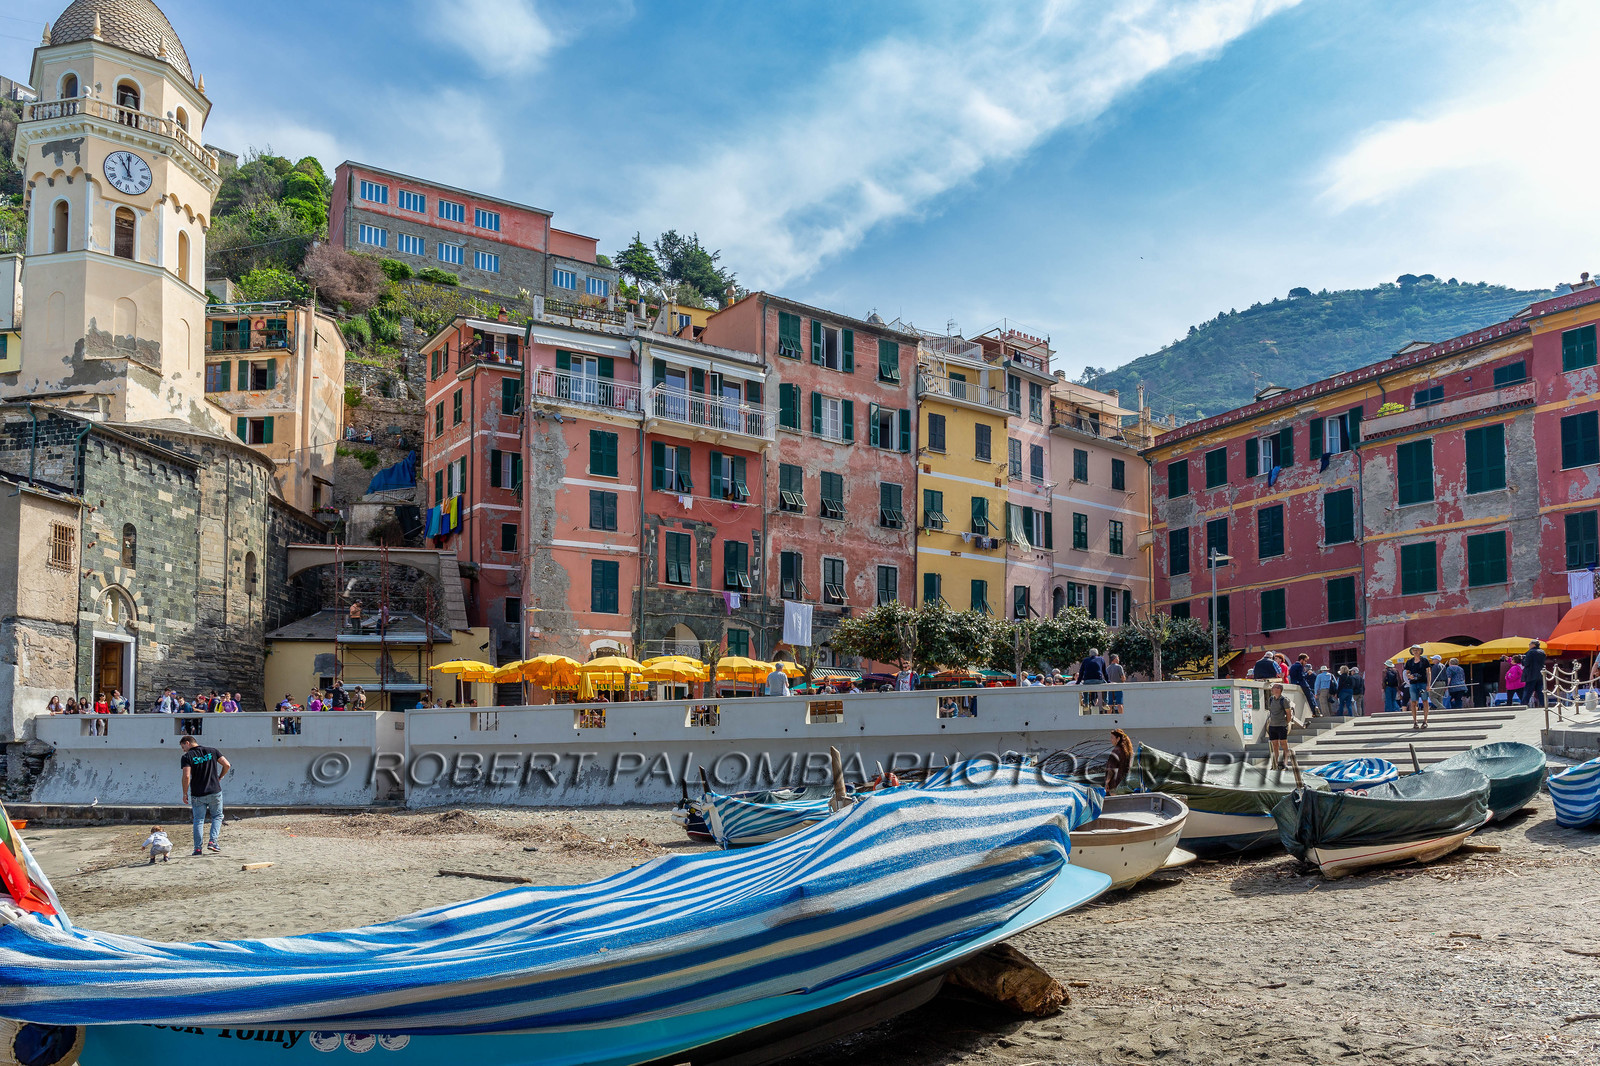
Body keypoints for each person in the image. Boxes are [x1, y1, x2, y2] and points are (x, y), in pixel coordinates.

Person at [178, 735, 229, 855]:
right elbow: (227, 765)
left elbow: (186, 776)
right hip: (214, 790)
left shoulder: (187, 757)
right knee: (217, 816)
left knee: (198, 820)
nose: (183, 749)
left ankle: (197, 848)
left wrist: (185, 793)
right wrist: (220, 777)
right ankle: (212, 842)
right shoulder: (212, 751)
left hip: (197, 793)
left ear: (188, 743)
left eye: (183, 746)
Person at [1264, 682, 1297, 770]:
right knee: (1274, 745)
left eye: (1274, 687)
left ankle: (1285, 763)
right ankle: (1275, 764)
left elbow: (1288, 713)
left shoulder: (1284, 700)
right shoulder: (1271, 699)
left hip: (1281, 725)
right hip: (1272, 725)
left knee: (1284, 744)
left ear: (1279, 689)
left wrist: (1286, 722)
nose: (1272, 689)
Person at [1403, 646, 1433, 728]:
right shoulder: (1409, 662)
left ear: (1420, 651)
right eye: (1414, 650)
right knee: (1413, 702)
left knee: (1425, 701)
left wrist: (1428, 684)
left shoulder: (1424, 661)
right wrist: (1409, 676)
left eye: (1417, 650)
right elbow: (1407, 672)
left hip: (1423, 683)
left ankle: (1425, 721)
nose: (1415, 651)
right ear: (1411, 652)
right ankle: (1415, 721)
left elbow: (1428, 673)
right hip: (1413, 684)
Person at [1523, 640, 1548, 708]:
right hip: (1540, 674)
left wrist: (1523, 660)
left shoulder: (1530, 652)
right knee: (1540, 691)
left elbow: (1526, 663)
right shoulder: (1542, 652)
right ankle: (1543, 704)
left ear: (1533, 644)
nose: (1529, 645)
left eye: (1530, 644)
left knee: (1528, 690)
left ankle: (1524, 704)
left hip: (1531, 674)